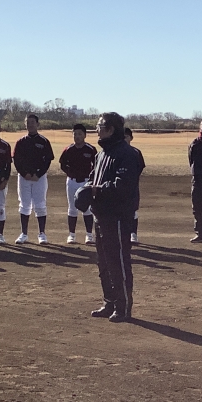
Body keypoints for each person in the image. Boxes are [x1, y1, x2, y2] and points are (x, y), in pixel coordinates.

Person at [88, 112, 140, 323]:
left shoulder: (127, 154)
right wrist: (88, 188)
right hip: (101, 215)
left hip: (117, 216)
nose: (97, 129)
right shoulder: (101, 154)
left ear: (110, 129)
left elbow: (123, 186)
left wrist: (96, 190)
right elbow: (93, 177)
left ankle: (122, 306)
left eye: (100, 126)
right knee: (104, 263)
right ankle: (109, 301)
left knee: (118, 261)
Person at [12, 114, 54, 244]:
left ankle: (42, 234)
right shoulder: (21, 142)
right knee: (24, 205)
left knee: (40, 204)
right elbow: (16, 160)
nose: (30, 125)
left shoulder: (44, 141)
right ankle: (24, 234)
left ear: (37, 124)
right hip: (24, 178)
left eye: (32, 122)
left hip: (39, 178)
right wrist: (24, 173)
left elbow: (47, 161)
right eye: (28, 122)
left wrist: (38, 174)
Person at [59, 123, 96, 244]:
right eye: (75, 134)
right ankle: (72, 235)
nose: (77, 136)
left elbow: (96, 165)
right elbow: (62, 164)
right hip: (72, 181)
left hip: (86, 182)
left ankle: (89, 235)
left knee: (87, 209)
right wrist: (70, 173)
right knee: (72, 208)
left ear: (85, 135)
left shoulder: (90, 149)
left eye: (80, 134)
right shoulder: (68, 149)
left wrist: (91, 179)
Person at [124, 127, 145, 243]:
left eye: (126, 136)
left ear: (131, 138)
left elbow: (140, 167)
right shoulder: (115, 152)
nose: (124, 139)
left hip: (132, 187)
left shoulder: (136, 152)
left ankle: (133, 233)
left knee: (133, 210)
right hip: (118, 187)